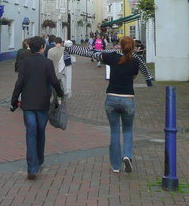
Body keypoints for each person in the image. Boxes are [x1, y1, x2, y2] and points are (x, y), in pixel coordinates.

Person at [64, 36, 153, 174]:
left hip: (111, 99)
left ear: (120, 46)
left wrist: (70, 48)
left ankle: (116, 166)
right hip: (128, 99)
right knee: (128, 130)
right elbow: (137, 75)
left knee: (115, 131)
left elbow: (90, 53)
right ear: (133, 47)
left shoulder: (111, 57)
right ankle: (127, 156)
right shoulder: (136, 61)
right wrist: (148, 81)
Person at [11, 35, 64, 180]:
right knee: (40, 132)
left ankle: (32, 168)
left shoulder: (24, 63)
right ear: (42, 47)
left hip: (28, 103)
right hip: (42, 103)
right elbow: (54, 81)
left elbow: (19, 83)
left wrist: (14, 100)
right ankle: (39, 161)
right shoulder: (47, 63)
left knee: (30, 133)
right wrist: (60, 94)